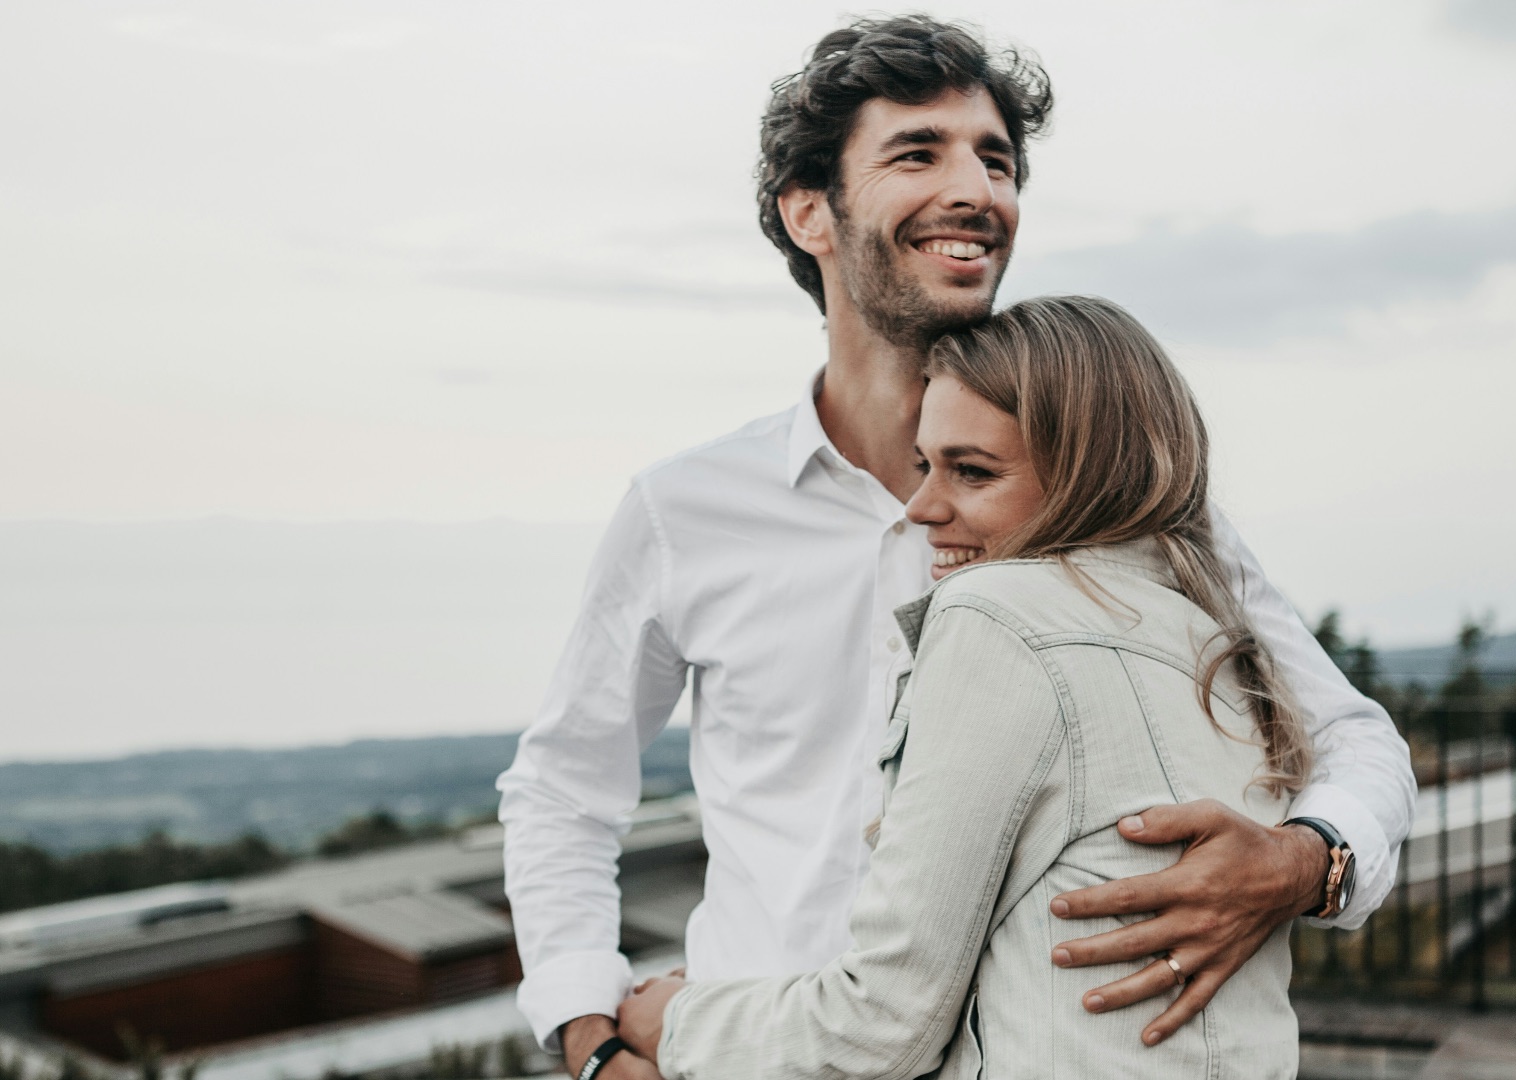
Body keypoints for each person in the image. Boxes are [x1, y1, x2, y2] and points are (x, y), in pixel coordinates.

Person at [495, 16, 1415, 1080]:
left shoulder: (1118, 495)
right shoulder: (683, 509)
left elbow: (1354, 736)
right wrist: (589, 1039)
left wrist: (1305, 864)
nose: (978, 188)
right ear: (810, 213)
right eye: (917, 152)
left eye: (996, 159)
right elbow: (564, 787)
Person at [616, 295, 1322, 1079]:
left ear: (1087, 474)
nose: (922, 507)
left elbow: (883, 1024)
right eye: (926, 464)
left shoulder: (996, 614)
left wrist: (671, 1023)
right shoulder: (1218, 637)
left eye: (972, 472)